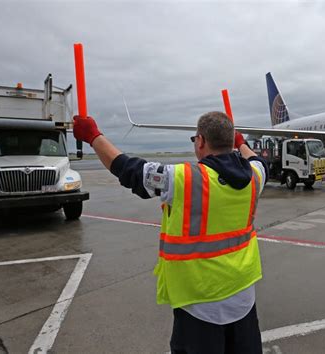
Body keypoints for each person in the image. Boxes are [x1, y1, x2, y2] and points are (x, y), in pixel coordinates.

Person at [73, 111, 268, 354]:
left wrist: (93, 136)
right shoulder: (255, 177)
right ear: (230, 142)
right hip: (243, 299)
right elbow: (259, 161)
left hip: (199, 306)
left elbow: (129, 170)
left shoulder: (183, 179)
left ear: (201, 141)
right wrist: (241, 142)